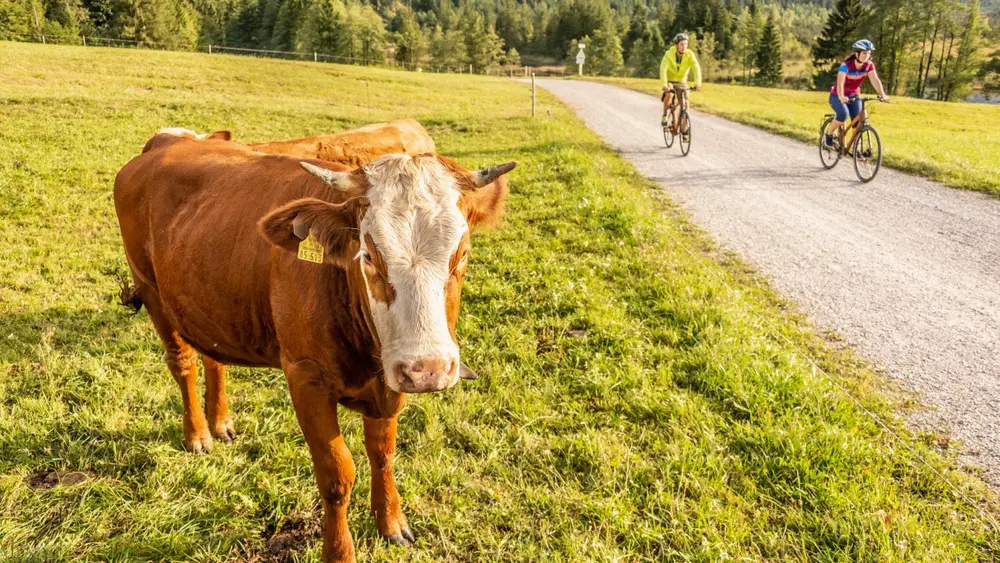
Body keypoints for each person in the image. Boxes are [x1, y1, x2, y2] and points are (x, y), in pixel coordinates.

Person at [824, 39, 889, 149]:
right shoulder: (846, 65)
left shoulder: (869, 65)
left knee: (858, 121)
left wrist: (882, 94)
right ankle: (829, 135)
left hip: (854, 95)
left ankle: (856, 149)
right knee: (843, 114)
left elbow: (875, 80)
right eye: (864, 53)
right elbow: (840, 83)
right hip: (837, 95)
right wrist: (841, 97)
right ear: (857, 53)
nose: (867, 56)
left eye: (868, 53)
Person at [660, 33, 702, 139]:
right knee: (669, 95)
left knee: (686, 103)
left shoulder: (689, 55)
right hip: (670, 81)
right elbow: (663, 70)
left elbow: (696, 68)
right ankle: (665, 115)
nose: (684, 47)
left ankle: (684, 129)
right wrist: (665, 85)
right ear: (676, 45)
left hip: (682, 82)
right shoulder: (668, 54)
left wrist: (698, 83)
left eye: (686, 44)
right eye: (682, 44)